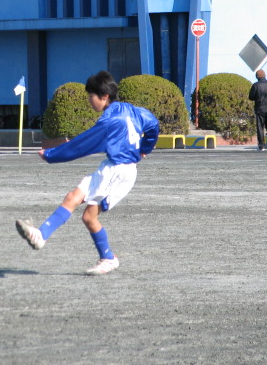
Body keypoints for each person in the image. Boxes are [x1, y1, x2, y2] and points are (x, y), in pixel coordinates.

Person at [15, 70, 160, 275]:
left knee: (89, 218)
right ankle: (40, 235)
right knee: (72, 197)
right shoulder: (134, 110)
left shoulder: (109, 121)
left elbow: (81, 145)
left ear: (104, 96)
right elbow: (153, 124)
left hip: (119, 172)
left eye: (91, 96)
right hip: (110, 167)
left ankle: (108, 258)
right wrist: (146, 148)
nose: (89, 101)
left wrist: (51, 155)